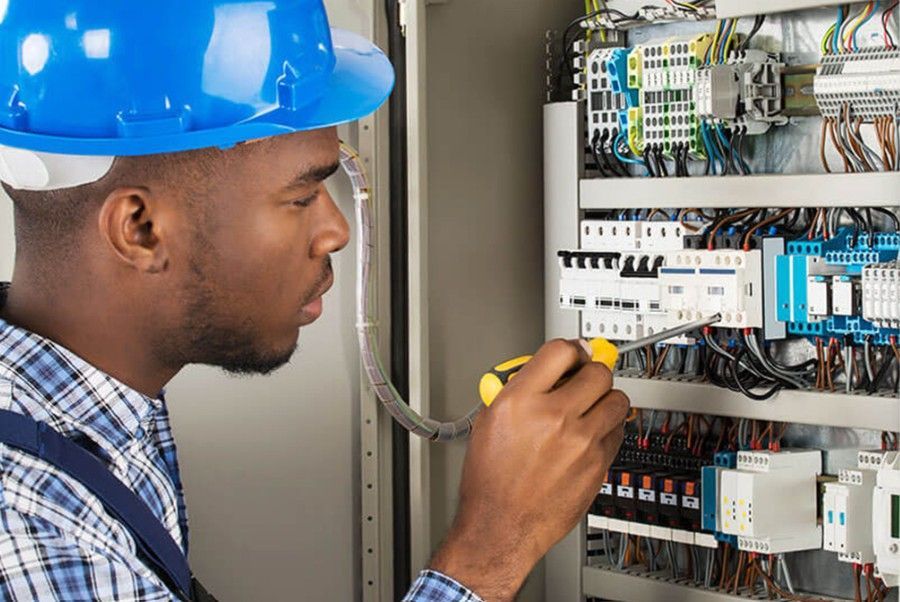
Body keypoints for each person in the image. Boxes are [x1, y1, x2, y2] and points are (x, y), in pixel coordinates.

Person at [0, 2, 629, 600]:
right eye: (301, 197)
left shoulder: (86, 414)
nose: (337, 231)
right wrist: (494, 544)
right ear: (140, 229)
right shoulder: (28, 520)